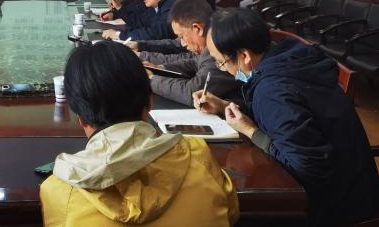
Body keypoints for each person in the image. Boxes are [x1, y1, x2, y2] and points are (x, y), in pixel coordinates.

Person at [193, 9, 379, 226]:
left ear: (244, 55)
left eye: (221, 62)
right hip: (360, 188)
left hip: (336, 209)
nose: (224, 69)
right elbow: (286, 116)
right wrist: (224, 105)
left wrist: (252, 132)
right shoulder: (290, 56)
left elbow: (307, 168)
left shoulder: (272, 90)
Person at [40, 41, 239, 227]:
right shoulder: (198, 155)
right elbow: (231, 214)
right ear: (150, 103)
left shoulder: (60, 191)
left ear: (81, 119)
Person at [141, 0, 235, 107]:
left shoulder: (219, 46)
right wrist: (160, 69)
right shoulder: (210, 41)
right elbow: (194, 62)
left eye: (182, 36)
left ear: (197, 28)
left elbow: (194, 92)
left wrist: (152, 80)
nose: (182, 43)